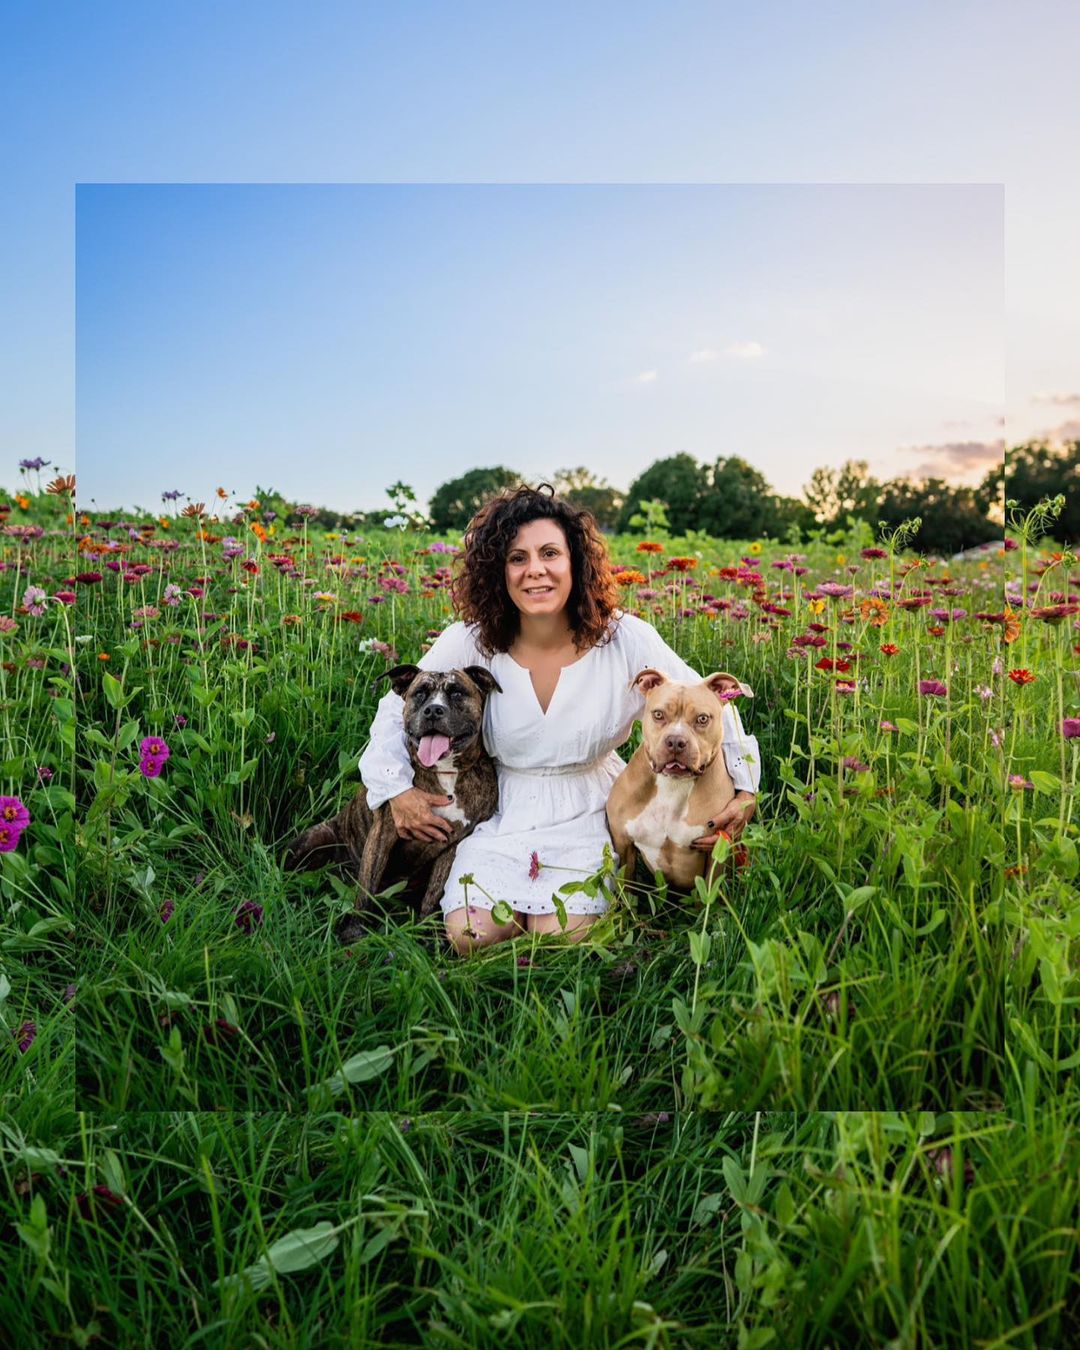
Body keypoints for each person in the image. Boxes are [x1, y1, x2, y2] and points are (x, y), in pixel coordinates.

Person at [359, 484, 761, 954]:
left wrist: (745, 784)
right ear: (498, 571)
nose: (535, 570)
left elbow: (708, 701)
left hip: (592, 807)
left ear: (575, 563)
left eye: (550, 553)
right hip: (501, 807)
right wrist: (395, 789)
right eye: (517, 558)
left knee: (566, 937)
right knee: (474, 935)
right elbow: (396, 708)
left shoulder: (625, 638)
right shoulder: (471, 639)